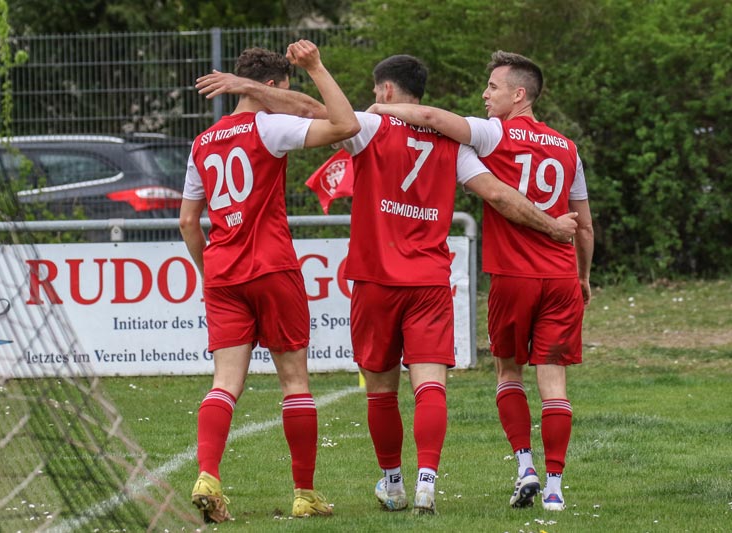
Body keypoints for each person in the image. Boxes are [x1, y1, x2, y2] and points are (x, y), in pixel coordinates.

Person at [196, 54, 577, 516]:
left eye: (377, 91)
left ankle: (393, 483)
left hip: (375, 279)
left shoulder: (370, 126)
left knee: (380, 389)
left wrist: (252, 86)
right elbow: (498, 194)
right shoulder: (454, 145)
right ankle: (427, 483)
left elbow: (312, 109)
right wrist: (553, 226)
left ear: (387, 91)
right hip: (429, 280)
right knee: (430, 385)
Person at [369, 51, 595, 512]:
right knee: (555, 383)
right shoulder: (568, 148)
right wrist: (584, 275)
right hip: (561, 277)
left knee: (508, 372)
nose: (485, 95)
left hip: (513, 276)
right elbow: (585, 226)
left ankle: (525, 466)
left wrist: (380, 108)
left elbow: (432, 118)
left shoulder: (494, 133)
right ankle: (555, 489)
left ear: (519, 94)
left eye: (493, 87)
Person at [179, 40, 359, 523]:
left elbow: (188, 222)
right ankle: (304, 493)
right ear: (273, 86)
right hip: (272, 266)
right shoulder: (270, 126)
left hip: (223, 272)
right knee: (295, 382)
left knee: (224, 383)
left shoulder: (202, 142)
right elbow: (344, 124)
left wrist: (210, 272)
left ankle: (208, 476)